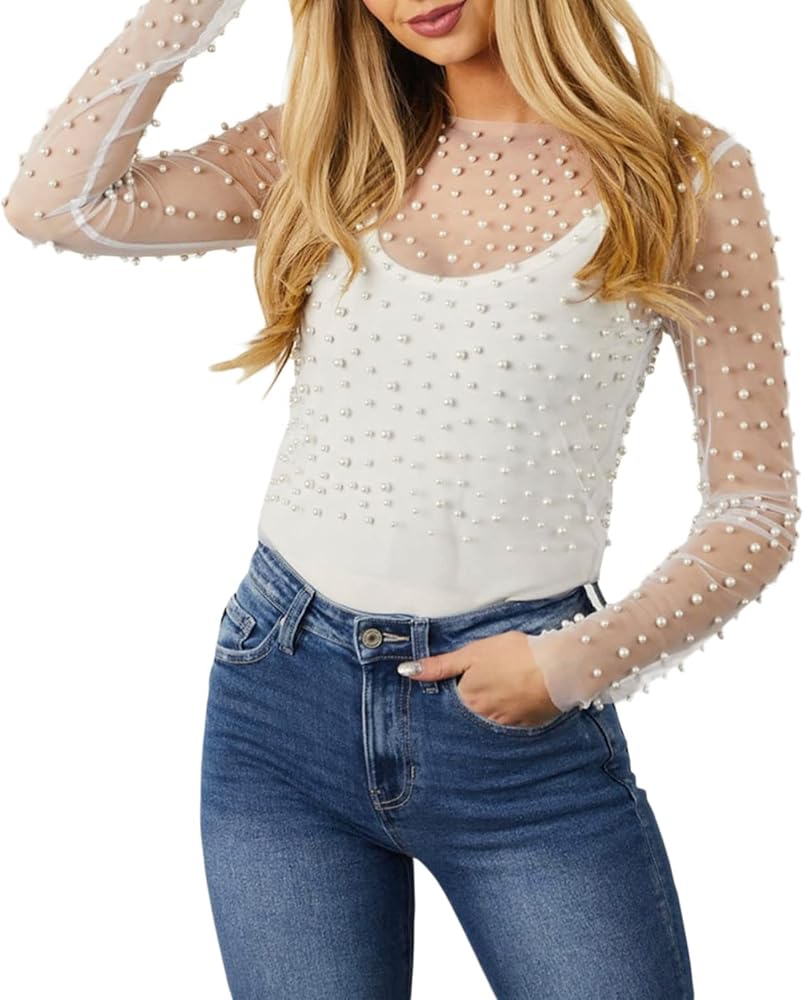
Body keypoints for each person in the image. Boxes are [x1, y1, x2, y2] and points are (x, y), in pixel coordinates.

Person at [3, 1, 799, 997]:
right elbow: (55, 203)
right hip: (280, 697)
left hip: (520, 734)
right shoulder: (330, 145)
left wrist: (569, 664)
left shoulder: (684, 172)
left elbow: (756, 507)